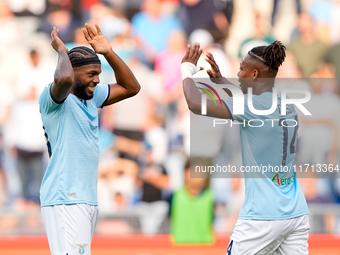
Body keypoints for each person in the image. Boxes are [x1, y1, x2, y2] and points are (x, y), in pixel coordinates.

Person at [181, 41, 309, 254]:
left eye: (242, 69)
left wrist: (186, 69)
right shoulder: (286, 102)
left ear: (255, 74)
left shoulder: (252, 106)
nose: (238, 74)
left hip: (262, 217)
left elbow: (195, 103)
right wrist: (222, 81)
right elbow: (251, 104)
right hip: (295, 212)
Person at [39, 24, 140, 255]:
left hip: (84, 197)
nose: (96, 80)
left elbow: (131, 87)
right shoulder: (53, 99)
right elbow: (64, 78)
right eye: (91, 74)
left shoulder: (91, 98)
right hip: (65, 197)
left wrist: (109, 53)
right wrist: (62, 50)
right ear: (74, 72)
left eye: (98, 74)